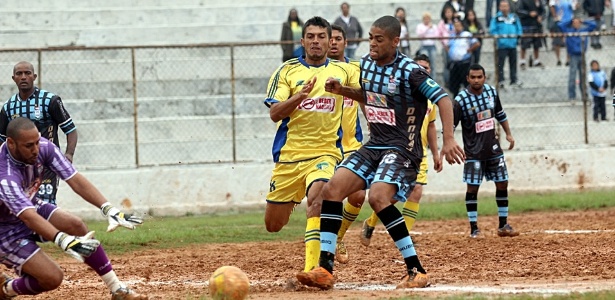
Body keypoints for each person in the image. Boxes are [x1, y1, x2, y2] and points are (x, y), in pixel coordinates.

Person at [295, 15, 465, 290]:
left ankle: (416, 270)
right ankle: (325, 269)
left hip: (403, 149)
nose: (372, 43)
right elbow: (370, 96)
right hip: (375, 145)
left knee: (377, 197)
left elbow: (443, 98)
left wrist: (449, 139)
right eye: (371, 37)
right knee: (332, 189)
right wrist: (344, 91)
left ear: (395, 41)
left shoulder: (411, 71)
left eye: (379, 39)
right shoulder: (367, 64)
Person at [0, 117, 147, 300]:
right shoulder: (4, 175)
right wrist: (62, 239)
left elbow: (74, 179)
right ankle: (6, 289)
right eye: (29, 145)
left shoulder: (43, 148)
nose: (36, 149)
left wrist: (109, 209)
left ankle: (117, 289)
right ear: (11, 143)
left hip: (30, 206)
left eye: (37, 141)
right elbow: (28, 217)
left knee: (75, 226)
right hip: (5, 230)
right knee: (52, 278)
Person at [263, 16, 360, 275]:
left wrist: (345, 92)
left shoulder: (345, 72)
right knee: (273, 224)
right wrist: (298, 97)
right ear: (303, 40)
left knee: (318, 198)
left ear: (331, 41)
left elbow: (371, 94)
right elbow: (274, 113)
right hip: (289, 157)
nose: (316, 41)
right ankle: (294, 197)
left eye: (321, 36)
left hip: (325, 152)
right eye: (311, 36)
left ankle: (313, 271)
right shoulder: (287, 71)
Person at [360, 54, 443, 247]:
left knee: (416, 192)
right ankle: (372, 222)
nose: (423, 70)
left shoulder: (431, 100)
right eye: (419, 66)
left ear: (429, 71)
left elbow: (431, 127)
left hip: (418, 153)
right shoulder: (402, 94)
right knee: (391, 195)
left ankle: (403, 237)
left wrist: (435, 152)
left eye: (426, 67)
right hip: (399, 151)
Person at [453, 64, 519, 239]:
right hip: (473, 152)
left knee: (503, 182)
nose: (476, 80)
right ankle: (474, 228)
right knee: (473, 187)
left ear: (484, 77)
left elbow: (500, 113)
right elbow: (451, 125)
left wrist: (509, 134)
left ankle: (503, 225)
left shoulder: (491, 92)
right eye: (473, 77)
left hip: (493, 148)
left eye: (479, 77)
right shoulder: (460, 100)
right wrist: (448, 145)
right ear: (467, 78)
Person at [0, 61, 78, 206]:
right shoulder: (8, 107)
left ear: (34, 76)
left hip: (46, 165)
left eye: (27, 73)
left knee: (45, 204)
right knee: (24, 207)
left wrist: (69, 154)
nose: (23, 77)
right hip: (19, 167)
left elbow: (70, 129)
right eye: (19, 74)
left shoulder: (50, 101)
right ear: (13, 78)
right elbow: (2, 139)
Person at [326, 24, 365, 264]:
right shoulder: (318, 71)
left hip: (352, 144)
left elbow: (364, 97)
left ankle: (338, 237)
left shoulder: (356, 69)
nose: (333, 42)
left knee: (358, 195)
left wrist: (373, 121)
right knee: (326, 197)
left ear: (345, 42)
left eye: (338, 39)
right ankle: (322, 247)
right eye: (330, 39)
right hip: (324, 145)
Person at [559, 17, 596, 102]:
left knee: (583, 76)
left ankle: (584, 96)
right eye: (574, 23)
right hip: (573, 56)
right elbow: (560, 25)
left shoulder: (584, 31)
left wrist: (583, 20)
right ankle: (572, 96)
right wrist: (570, 20)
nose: (576, 24)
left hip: (582, 55)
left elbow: (593, 25)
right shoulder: (569, 31)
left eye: (577, 22)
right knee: (572, 77)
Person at [490, 0, 524, 89]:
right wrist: (499, 38)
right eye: (502, 6)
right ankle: (500, 80)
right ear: (499, 7)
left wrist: (517, 37)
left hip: (512, 44)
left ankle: (514, 79)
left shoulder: (514, 17)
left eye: (506, 6)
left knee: (513, 63)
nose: (504, 8)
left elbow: (519, 28)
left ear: (509, 7)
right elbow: (493, 30)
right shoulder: (496, 18)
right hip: (502, 45)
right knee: (500, 64)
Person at [445, 18, 481, 97]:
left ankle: (468, 98)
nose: (457, 28)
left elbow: (476, 43)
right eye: (455, 26)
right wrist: (450, 52)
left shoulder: (466, 35)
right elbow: (447, 45)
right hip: (454, 63)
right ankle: (456, 99)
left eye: (458, 26)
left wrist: (470, 50)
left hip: (464, 62)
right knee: (454, 84)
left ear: (462, 26)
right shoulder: (452, 36)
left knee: (466, 83)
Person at [518, 0, 546, 69]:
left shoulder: (540, 1)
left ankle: (536, 60)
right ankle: (522, 61)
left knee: (537, 44)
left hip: (537, 25)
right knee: (524, 44)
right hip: (526, 25)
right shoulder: (523, 1)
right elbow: (519, 10)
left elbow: (543, 11)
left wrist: (541, 17)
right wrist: (529, 13)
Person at [549, 0, 577, 66]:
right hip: (559, 22)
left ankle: (568, 59)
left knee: (569, 41)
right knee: (557, 41)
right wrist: (555, 17)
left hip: (569, 21)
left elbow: (575, 7)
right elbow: (552, 6)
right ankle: (558, 59)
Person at [416, 12, 440, 81]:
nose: (427, 20)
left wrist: (428, 33)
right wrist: (427, 29)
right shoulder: (420, 26)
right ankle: (424, 78)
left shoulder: (434, 26)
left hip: (432, 46)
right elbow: (420, 35)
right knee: (424, 64)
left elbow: (436, 35)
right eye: (425, 19)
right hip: (424, 46)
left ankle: (433, 79)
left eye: (428, 19)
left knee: (433, 64)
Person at [438, 5, 458, 86]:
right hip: (445, 46)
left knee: (455, 63)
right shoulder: (442, 23)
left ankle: (455, 80)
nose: (448, 14)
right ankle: (447, 81)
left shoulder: (456, 21)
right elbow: (439, 34)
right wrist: (444, 44)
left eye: (450, 12)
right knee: (446, 64)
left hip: (455, 46)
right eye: (447, 12)